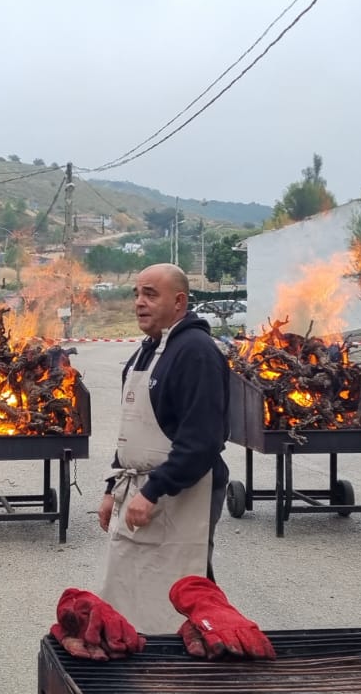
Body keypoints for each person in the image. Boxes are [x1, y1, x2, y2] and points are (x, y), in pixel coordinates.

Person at [96, 263, 230, 635]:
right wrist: (112, 488)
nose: (139, 302)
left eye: (150, 294)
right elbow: (130, 430)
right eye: (136, 294)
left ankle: (197, 666)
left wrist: (154, 490)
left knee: (185, 589)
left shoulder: (196, 352)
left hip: (184, 494)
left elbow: (202, 440)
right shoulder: (148, 350)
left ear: (179, 301)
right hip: (139, 489)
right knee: (135, 587)